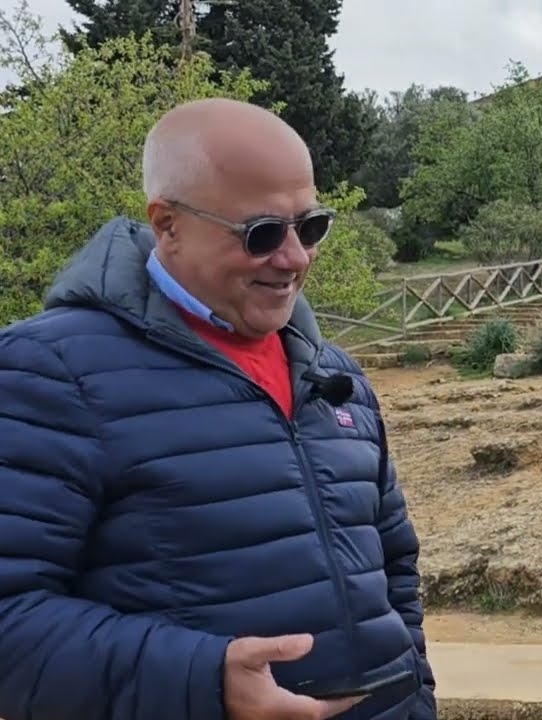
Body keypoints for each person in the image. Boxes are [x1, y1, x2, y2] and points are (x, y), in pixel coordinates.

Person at [0, 98, 436, 720]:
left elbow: (395, 577)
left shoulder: (335, 374)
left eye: (310, 226)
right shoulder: (46, 371)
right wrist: (202, 681)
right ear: (168, 223)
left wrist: (417, 702)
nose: (294, 258)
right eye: (261, 234)